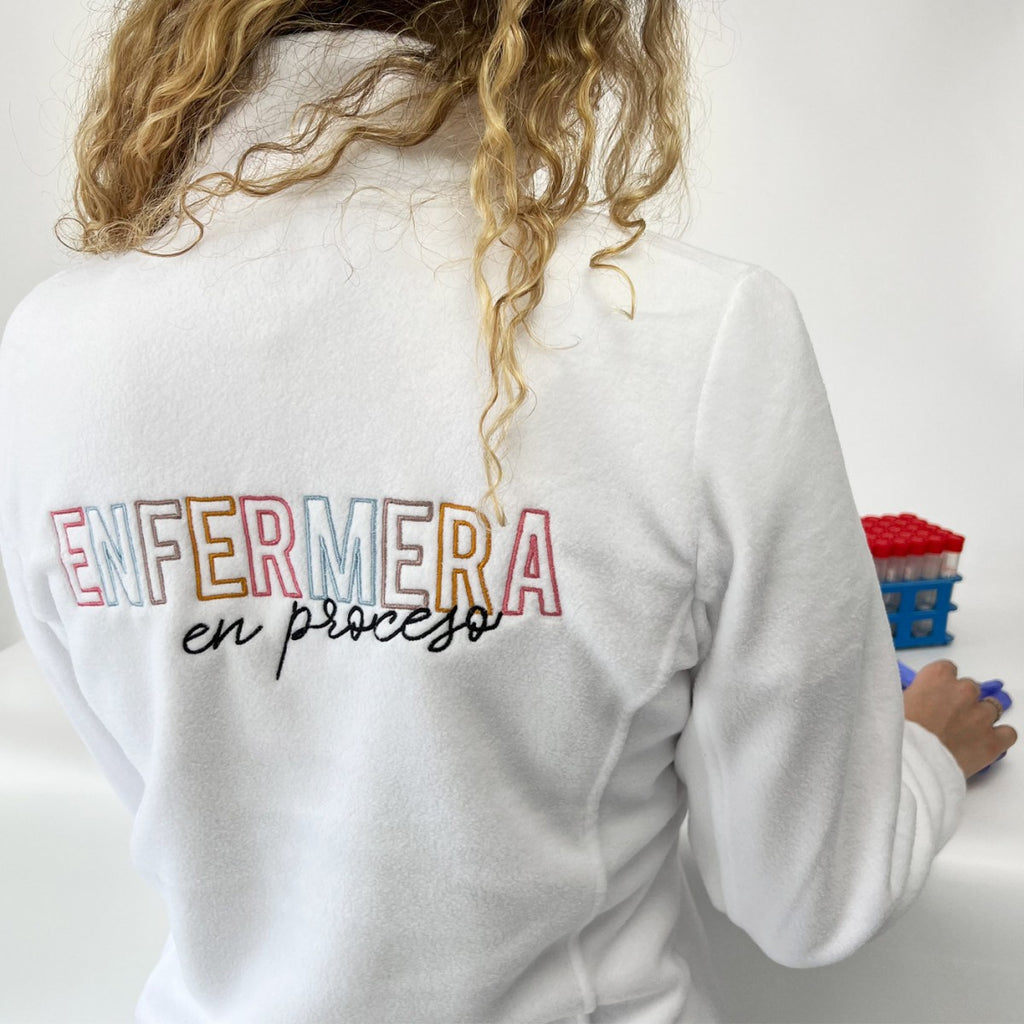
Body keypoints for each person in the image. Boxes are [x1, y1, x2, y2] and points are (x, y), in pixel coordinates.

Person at [0, 2, 1015, 1021]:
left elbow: (177, 793)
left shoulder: (52, 351)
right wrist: (921, 753)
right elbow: (805, 897)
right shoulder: (692, 335)